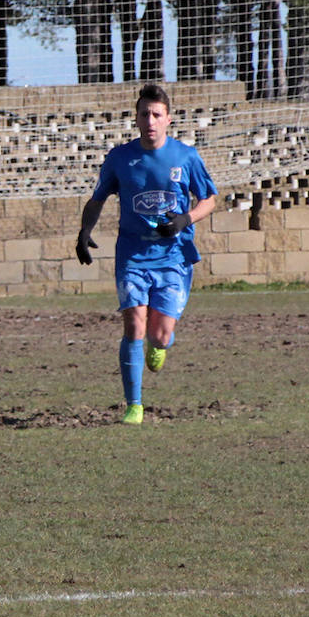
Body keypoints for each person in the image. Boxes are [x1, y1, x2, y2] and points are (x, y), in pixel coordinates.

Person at [76, 82, 217, 425]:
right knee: (134, 326)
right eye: (144, 114)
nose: (150, 120)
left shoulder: (186, 157)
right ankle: (134, 405)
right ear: (136, 119)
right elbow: (97, 199)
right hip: (132, 256)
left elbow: (209, 199)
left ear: (168, 119)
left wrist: (185, 219)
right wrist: (84, 231)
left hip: (173, 257)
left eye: (157, 114)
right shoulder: (120, 158)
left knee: (158, 335)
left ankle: (161, 345)